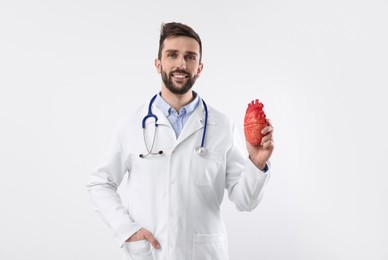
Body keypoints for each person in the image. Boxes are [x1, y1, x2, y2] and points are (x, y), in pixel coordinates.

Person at [86, 22, 274, 260]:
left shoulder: (223, 126)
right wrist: (127, 230)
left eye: (190, 57)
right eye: (172, 55)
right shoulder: (131, 125)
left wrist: (256, 164)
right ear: (158, 64)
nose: (181, 64)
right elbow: (99, 183)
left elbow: (245, 201)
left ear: (200, 68)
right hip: (150, 253)